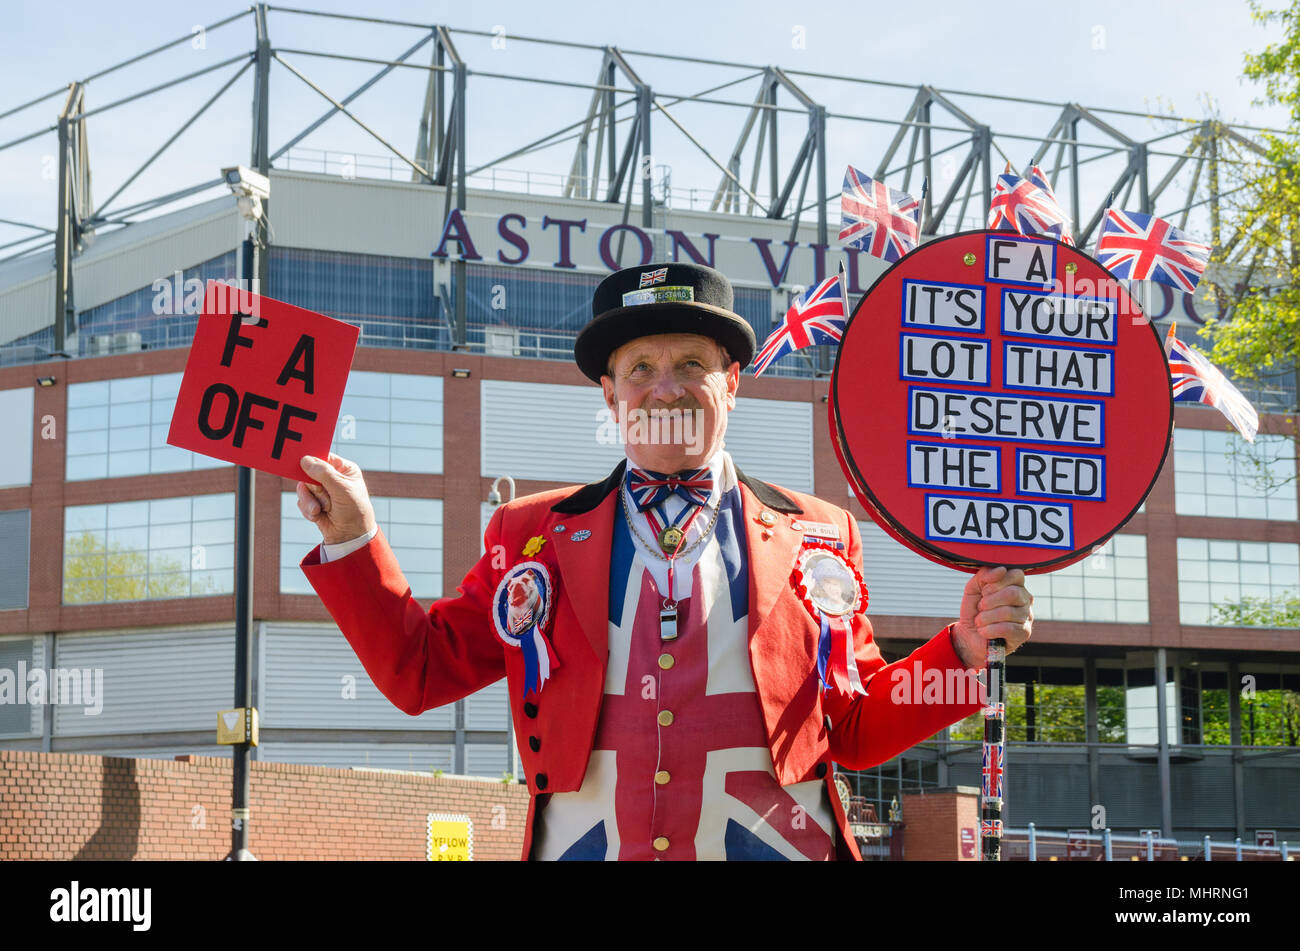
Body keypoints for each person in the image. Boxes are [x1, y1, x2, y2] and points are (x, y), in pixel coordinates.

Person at [297, 261, 1033, 861]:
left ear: (733, 382)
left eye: (691, 363)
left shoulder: (821, 531)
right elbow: (422, 671)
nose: (666, 385)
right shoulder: (530, 533)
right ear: (610, 392)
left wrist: (963, 652)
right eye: (640, 366)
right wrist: (355, 539)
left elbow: (858, 725)